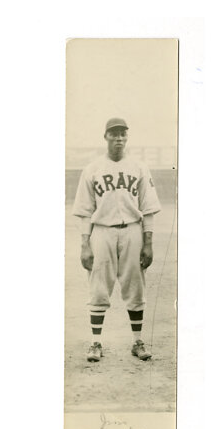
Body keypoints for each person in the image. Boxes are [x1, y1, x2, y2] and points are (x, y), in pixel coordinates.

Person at [72, 118, 161, 362]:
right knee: (99, 286)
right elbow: (85, 212)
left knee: (135, 286)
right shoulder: (92, 169)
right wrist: (84, 245)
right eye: (114, 134)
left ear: (127, 137)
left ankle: (137, 341)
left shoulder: (139, 167)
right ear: (106, 137)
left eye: (123, 134)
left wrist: (149, 242)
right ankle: (95, 343)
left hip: (133, 230)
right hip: (102, 232)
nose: (119, 138)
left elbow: (149, 209)